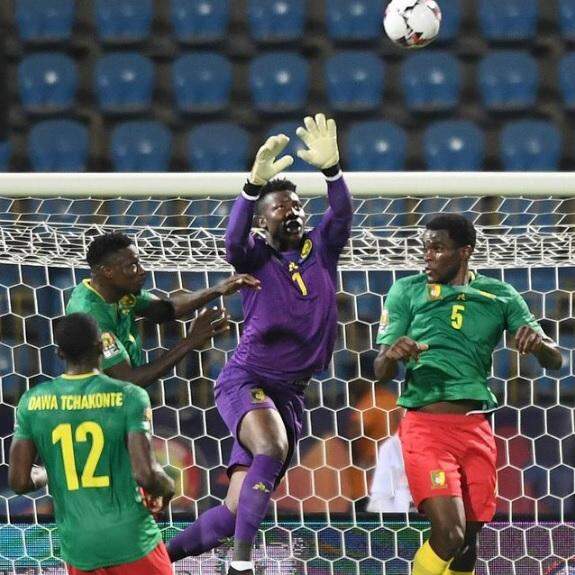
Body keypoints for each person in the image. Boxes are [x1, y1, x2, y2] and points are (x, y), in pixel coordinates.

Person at [167, 113, 352, 575]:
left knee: (234, 512)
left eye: (294, 205)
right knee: (269, 447)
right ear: (261, 221)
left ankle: (156, 560)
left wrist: (332, 172)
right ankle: (242, 565)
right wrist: (252, 185)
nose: (291, 211)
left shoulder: (321, 249)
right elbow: (231, 240)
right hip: (247, 379)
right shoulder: (254, 254)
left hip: (290, 393)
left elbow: (342, 212)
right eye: (278, 207)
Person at [373, 214, 562, 575]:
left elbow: (555, 359)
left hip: (475, 428)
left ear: (465, 252)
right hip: (426, 428)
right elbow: (379, 371)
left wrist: (538, 345)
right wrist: (391, 354)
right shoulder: (406, 290)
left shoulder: (499, 294)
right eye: (425, 248)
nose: (428, 255)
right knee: (449, 534)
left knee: (468, 544)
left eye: (438, 248)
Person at [9, 313, 182, 574]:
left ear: (59, 353)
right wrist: (167, 488)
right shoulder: (129, 396)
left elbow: (19, 482)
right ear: (101, 346)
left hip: (79, 548)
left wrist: (47, 473)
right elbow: (146, 474)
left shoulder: (31, 402)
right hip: (131, 540)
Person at [66, 231, 259, 387]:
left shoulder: (119, 291)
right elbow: (127, 380)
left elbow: (165, 310)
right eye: (132, 266)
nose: (142, 271)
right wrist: (191, 340)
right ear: (107, 271)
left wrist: (218, 289)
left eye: (139, 263)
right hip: (100, 411)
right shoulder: (90, 315)